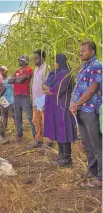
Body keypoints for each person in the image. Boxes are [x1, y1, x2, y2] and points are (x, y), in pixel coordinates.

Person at [70, 41, 102, 187]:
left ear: (93, 52)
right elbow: (78, 88)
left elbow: (92, 89)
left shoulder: (97, 66)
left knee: (97, 145)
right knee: (87, 144)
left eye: (83, 51)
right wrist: (73, 104)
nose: (80, 53)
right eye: (80, 50)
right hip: (81, 110)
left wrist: (77, 103)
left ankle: (101, 177)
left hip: (90, 110)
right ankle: (92, 170)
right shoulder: (84, 67)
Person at [43, 54, 77, 167]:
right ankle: (61, 155)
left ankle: (67, 159)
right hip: (54, 107)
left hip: (62, 107)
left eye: (55, 61)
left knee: (64, 131)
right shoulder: (54, 72)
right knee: (58, 130)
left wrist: (49, 89)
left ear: (60, 61)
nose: (54, 63)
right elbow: (44, 86)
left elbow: (57, 90)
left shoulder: (66, 73)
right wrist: (48, 88)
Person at [8, 55, 37, 145]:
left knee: (30, 117)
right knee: (18, 117)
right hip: (16, 97)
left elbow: (20, 81)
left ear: (25, 61)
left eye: (20, 60)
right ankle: (19, 134)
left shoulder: (28, 69)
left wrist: (16, 79)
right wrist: (18, 78)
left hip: (24, 96)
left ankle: (35, 137)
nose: (19, 62)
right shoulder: (17, 71)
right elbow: (9, 81)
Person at [31, 49, 52, 148]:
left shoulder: (46, 69)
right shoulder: (36, 70)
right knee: (36, 120)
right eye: (34, 58)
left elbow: (49, 85)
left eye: (36, 58)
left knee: (46, 120)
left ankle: (49, 141)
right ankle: (39, 139)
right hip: (36, 100)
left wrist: (46, 99)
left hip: (43, 100)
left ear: (42, 58)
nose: (34, 60)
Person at [0, 66, 15, 131]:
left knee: (13, 115)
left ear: (6, 71)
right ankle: (5, 129)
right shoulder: (0, 80)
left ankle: (18, 129)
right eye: (1, 71)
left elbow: (14, 89)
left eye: (3, 70)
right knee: (4, 115)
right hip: (3, 99)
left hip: (10, 99)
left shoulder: (10, 79)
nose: (2, 72)